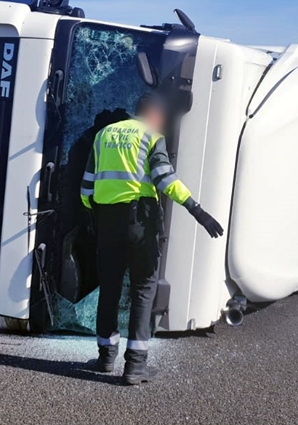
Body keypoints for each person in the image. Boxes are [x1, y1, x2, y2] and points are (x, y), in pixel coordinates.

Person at [81, 92, 225, 385]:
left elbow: (86, 189)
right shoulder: (151, 136)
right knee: (143, 290)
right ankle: (135, 366)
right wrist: (197, 211)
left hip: (107, 223)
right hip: (140, 224)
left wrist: (99, 215)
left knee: (108, 290)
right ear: (154, 114)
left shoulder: (103, 135)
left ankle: (105, 358)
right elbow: (164, 179)